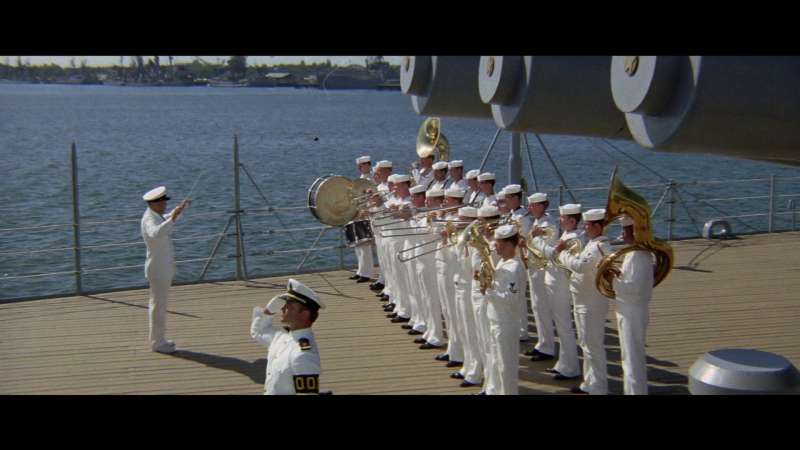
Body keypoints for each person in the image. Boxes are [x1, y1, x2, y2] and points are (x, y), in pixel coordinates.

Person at [556, 208, 612, 395]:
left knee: (593, 346)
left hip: (591, 302)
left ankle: (598, 387)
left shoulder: (599, 247)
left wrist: (563, 253)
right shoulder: (592, 244)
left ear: (597, 226)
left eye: (588, 225)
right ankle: (589, 384)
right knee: (586, 344)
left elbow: (580, 266)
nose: (584, 228)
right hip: (583, 299)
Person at [532, 203, 583, 380]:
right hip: (555, 282)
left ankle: (571, 368)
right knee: (561, 326)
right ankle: (564, 363)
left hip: (561, 284)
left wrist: (537, 240)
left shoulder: (574, 237)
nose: (560, 220)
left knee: (564, 326)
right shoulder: (569, 234)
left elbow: (552, 255)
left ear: (572, 220)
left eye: (563, 218)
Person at [250, 278, 325, 395]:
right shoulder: (282, 337)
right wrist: (268, 311)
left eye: (289, 306)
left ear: (304, 314)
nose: (282, 308)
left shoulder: (303, 355)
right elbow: (258, 332)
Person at [609, 215, 654, 395]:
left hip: (632, 310)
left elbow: (634, 288)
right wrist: (617, 275)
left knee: (632, 359)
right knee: (628, 358)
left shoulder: (638, 255)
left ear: (633, 232)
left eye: (625, 231)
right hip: (628, 308)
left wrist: (612, 278)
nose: (622, 235)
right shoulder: (634, 252)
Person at [141, 186, 189, 354]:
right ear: (154, 203)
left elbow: (166, 219)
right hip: (158, 269)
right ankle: (158, 342)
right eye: (162, 202)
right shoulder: (149, 219)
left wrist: (178, 211)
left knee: (159, 305)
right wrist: (173, 218)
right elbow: (156, 232)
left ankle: (159, 339)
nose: (165, 205)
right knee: (158, 306)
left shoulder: (156, 215)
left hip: (162, 268)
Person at [481, 224, 526, 395]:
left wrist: (488, 291)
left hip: (506, 321)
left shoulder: (513, 268)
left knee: (505, 366)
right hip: (496, 318)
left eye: (498, 242)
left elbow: (510, 298)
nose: (495, 245)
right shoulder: (503, 262)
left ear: (507, 244)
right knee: (495, 361)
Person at [523, 193, 557, 363]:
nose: (529, 208)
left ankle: (548, 347)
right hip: (534, 269)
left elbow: (547, 250)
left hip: (542, 271)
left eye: (532, 205)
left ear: (541, 206)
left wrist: (533, 238)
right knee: (537, 308)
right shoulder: (538, 222)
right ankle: (542, 342)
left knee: (542, 308)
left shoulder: (548, 224)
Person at [503, 184, 534, 342]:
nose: (505, 201)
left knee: (519, 297)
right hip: (510, 257)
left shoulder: (523, 217)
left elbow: (524, 238)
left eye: (508, 198)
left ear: (516, 198)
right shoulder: (512, 214)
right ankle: (516, 327)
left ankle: (522, 331)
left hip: (518, 258)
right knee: (512, 295)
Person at [350, 155, 374, 283]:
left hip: (367, 213)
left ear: (369, 165)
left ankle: (366, 273)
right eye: (361, 166)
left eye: (366, 165)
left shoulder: (372, 179)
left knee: (365, 246)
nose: (363, 167)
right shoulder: (360, 179)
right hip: (359, 213)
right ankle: (360, 270)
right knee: (359, 245)